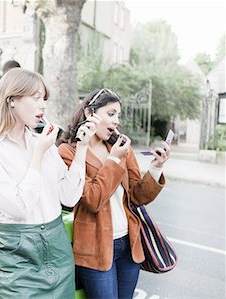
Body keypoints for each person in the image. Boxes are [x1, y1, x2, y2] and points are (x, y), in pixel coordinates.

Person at [0, 68, 99, 298]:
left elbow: (68, 197)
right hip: (18, 253)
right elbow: (19, 208)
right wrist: (38, 154)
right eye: (36, 97)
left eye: (44, 99)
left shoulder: (40, 142)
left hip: (57, 245)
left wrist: (82, 148)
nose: (43, 105)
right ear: (12, 100)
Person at [57, 88, 171, 299]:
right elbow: (91, 200)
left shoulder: (119, 146)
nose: (117, 121)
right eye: (111, 114)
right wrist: (114, 160)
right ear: (90, 114)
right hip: (95, 248)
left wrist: (156, 167)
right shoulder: (69, 152)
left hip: (129, 243)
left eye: (118, 115)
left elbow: (137, 196)